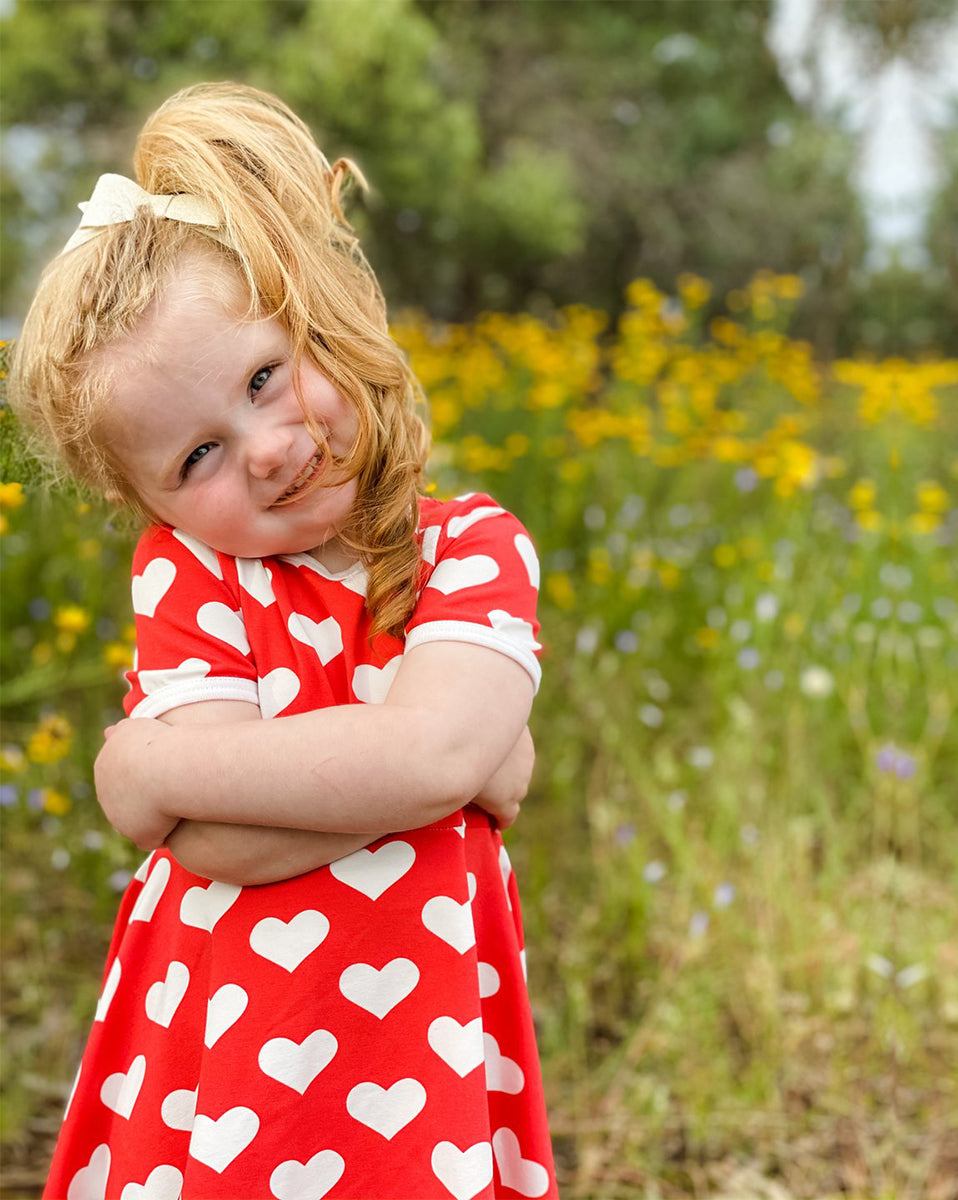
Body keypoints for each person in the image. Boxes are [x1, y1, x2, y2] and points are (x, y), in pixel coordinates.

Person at [11, 82, 557, 1200]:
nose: (262, 448)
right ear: (148, 506)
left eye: (265, 378)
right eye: (195, 458)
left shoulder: (473, 547)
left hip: (422, 1039)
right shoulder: (190, 574)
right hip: (227, 1054)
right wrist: (428, 764)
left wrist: (149, 765)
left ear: (315, 316)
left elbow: (437, 759)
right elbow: (219, 848)